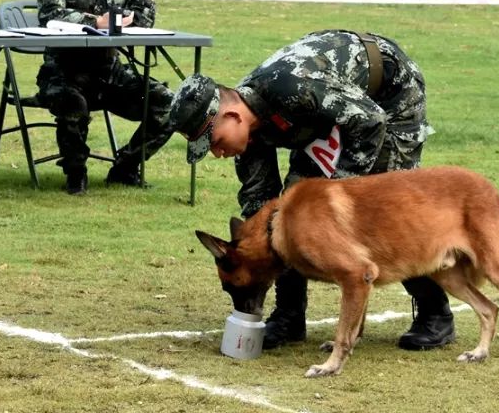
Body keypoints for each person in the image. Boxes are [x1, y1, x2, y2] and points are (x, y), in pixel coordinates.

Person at [167, 30, 453, 351]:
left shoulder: (292, 87)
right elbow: (265, 217)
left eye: (216, 143)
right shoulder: (246, 138)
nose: (218, 154)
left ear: (233, 116)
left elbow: (370, 120)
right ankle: (289, 317)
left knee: (383, 214)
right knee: (291, 219)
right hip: (331, 117)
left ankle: (435, 313)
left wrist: (339, 197)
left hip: (388, 95)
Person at [33, 0, 174, 196]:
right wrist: (96, 21)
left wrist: (128, 19)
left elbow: (147, 9)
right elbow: (50, 14)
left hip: (109, 70)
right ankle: (75, 172)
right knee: (74, 104)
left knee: (167, 104)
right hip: (63, 71)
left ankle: (125, 167)